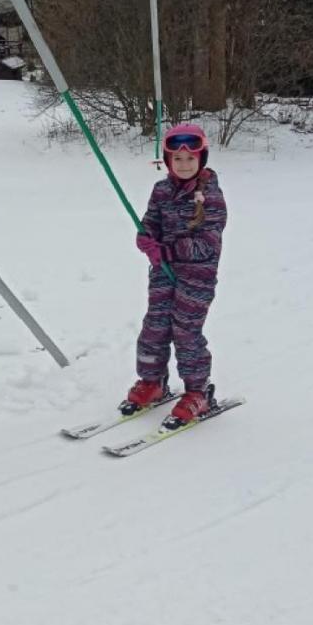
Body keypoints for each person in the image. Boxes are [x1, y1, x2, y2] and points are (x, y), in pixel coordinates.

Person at [122, 122, 228, 426]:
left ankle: (198, 392)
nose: (183, 165)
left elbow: (208, 245)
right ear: (168, 161)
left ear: (201, 159)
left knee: (185, 330)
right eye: (177, 159)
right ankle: (153, 382)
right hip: (163, 273)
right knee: (154, 326)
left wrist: (166, 250)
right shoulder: (161, 190)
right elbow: (151, 221)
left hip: (197, 277)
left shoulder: (212, 197)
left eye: (190, 159)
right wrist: (145, 236)